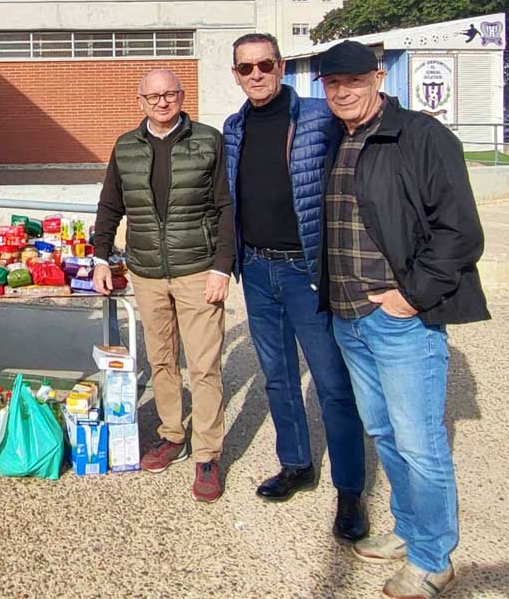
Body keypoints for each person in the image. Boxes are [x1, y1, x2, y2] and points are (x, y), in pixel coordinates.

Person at [316, 40, 490, 599]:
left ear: (377, 77)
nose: (342, 92)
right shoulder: (341, 140)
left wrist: (411, 297)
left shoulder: (420, 136)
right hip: (349, 318)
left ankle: (434, 557)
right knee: (385, 431)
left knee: (420, 441)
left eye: (353, 81)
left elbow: (460, 231)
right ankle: (411, 530)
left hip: (398, 320)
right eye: (332, 83)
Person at [221, 33, 367, 540]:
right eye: (246, 68)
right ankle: (296, 464)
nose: (256, 74)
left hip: (307, 270)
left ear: (280, 66)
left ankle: (350, 490)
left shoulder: (317, 116)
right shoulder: (233, 128)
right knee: (279, 377)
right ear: (235, 74)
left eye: (264, 64)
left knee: (332, 383)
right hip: (258, 271)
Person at [92, 68, 234, 503]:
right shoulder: (125, 146)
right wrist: (100, 256)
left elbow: (226, 206)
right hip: (147, 273)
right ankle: (172, 434)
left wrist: (222, 267)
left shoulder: (208, 140)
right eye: (152, 96)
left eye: (169, 94)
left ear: (181, 96)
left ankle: (207, 455)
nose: (161, 102)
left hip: (197, 269)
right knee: (161, 362)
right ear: (140, 101)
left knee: (205, 366)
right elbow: (110, 204)